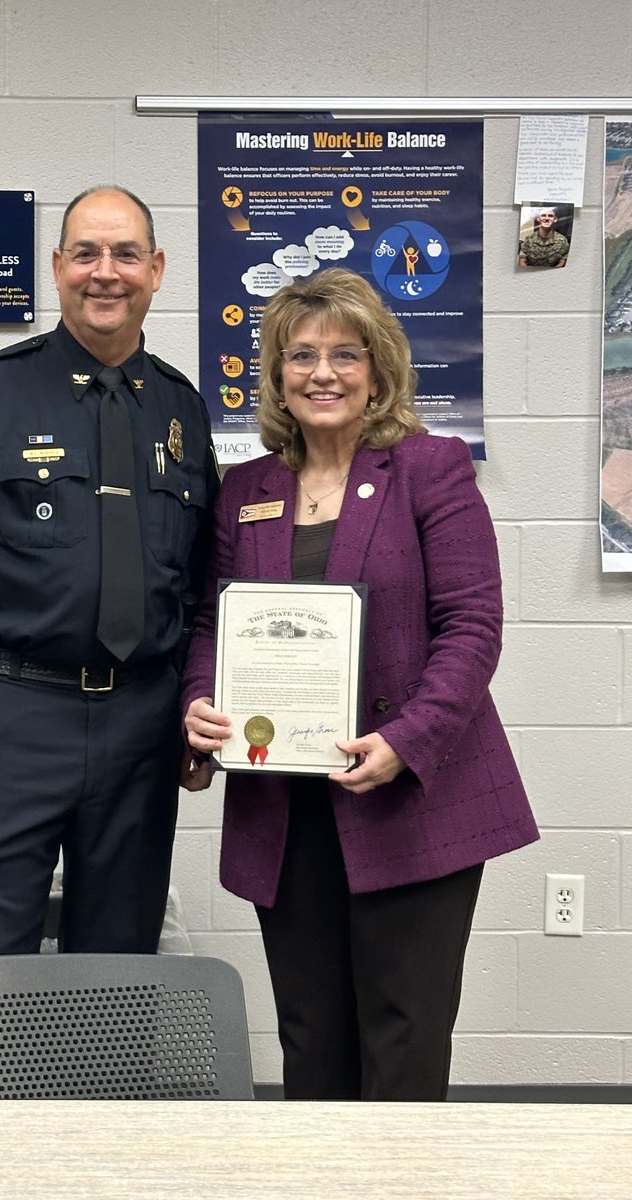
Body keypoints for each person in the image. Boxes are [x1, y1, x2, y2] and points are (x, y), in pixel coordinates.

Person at [181, 268, 539, 1101]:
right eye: (300, 355)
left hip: (410, 798)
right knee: (311, 1040)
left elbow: (472, 627)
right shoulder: (247, 491)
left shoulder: (430, 469)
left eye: (346, 353)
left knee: (403, 1038)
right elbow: (211, 624)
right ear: (275, 375)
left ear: (378, 369)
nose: (323, 373)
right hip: (287, 805)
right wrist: (199, 704)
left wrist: (403, 741)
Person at [0, 185, 218, 957]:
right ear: (56, 266)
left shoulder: (182, 409)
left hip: (143, 722)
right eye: (86, 254)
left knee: (117, 968)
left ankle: (102, 1086)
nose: (106, 273)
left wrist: (194, 710)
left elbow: (203, 585)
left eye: (126, 254)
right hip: (12, 714)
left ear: (158, 269)